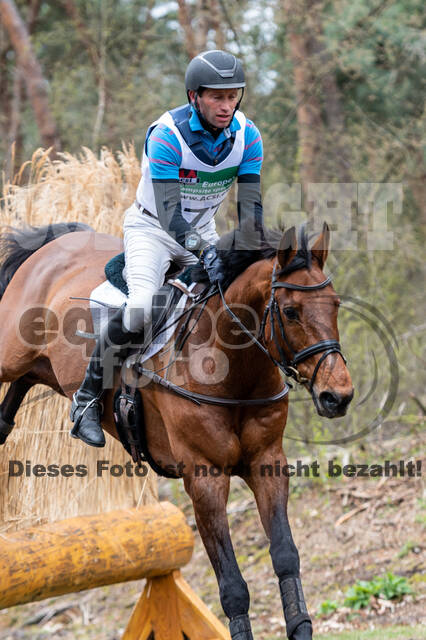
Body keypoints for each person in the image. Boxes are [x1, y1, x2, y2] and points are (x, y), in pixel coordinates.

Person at [70, 49, 265, 447]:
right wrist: (204, 253)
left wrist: (247, 250)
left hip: (203, 228)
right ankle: (86, 400)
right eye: (217, 96)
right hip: (152, 228)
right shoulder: (167, 135)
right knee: (142, 307)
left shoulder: (248, 136)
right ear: (194, 96)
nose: (227, 106)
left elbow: (251, 210)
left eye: (233, 96)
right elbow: (169, 213)